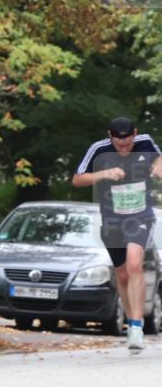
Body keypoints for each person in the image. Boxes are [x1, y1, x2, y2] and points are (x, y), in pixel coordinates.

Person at [73, 116, 162, 350]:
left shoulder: (145, 142)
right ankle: (131, 323)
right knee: (122, 275)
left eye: (128, 142)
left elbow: (159, 158)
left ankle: (136, 326)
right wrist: (103, 174)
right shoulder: (98, 149)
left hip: (140, 216)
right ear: (109, 136)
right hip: (112, 220)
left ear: (135, 133)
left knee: (135, 265)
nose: (124, 148)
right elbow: (78, 179)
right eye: (118, 144)